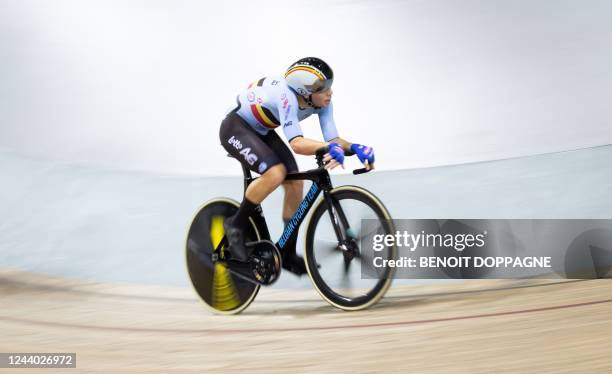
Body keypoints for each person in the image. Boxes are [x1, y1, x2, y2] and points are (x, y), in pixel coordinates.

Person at [219, 57, 375, 275]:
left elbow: (333, 141)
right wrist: (328, 149)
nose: (330, 93)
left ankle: (287, 253)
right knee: (275, 174)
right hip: (236, 127)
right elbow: (297, 144)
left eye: (330, 86)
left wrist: (355, 147)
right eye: (324, 88)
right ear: (304, 91)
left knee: (295, 183)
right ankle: (234, 224)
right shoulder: (287, 98)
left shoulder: (321, 102)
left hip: (261, 130)